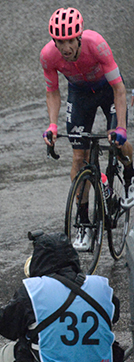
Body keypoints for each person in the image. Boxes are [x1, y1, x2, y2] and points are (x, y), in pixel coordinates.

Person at [0, 231, 121, 362]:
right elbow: (114, 316)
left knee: (5, 354)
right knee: (100, 356)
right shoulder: (102, 288)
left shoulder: (34, 290)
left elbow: (2, 324)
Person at [40, 7, 133, 251]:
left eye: (70, 40)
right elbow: (52, 92)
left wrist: (121, 128)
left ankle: (130, 170)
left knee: (118, 142)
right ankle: (82, 224)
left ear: (79, 37)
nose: (66, 47)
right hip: (80, 94)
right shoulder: (48, 56)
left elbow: (119, 89)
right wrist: (52, 124)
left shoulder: (97, 45)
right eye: (60, 41)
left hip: (108, 89)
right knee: (79, 157)